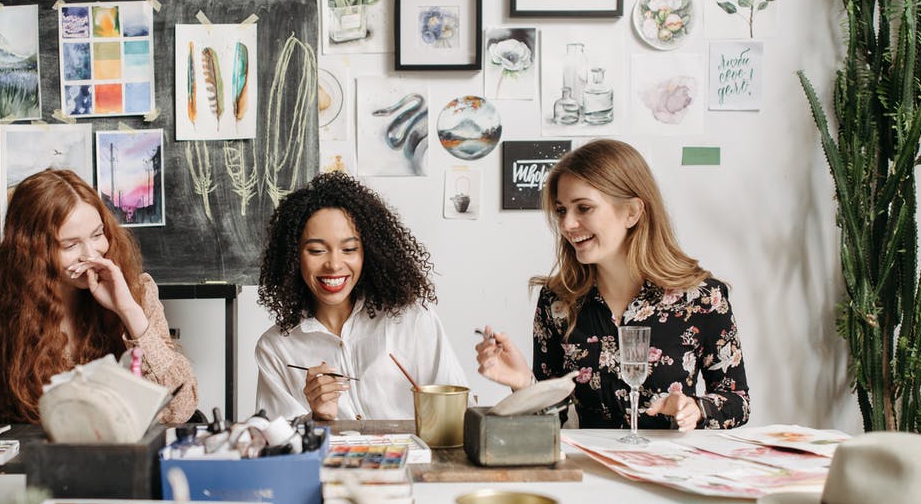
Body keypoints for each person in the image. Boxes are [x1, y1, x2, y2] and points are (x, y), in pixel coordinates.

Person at [475, 139, 749, 430]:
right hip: (592, 471)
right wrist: (523, 385)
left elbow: (737, 401)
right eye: (561, 210)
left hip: (670, 470)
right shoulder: (556, 302)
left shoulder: (703, 297)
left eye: (583, 208)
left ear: (632, 212)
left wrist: (696, 408)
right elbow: (550, 425)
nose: (567, 224)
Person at [0, 169, 198, 425]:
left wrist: (128, 312)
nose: (92, 255)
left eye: (98, 235)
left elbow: (180, 408)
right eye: (70, 245)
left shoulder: (139, 295)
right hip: (43, 462)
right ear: (32, 254)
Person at [255, 171, 468, 420]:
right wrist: (317, 418)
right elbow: (275, 441)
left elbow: (458, 413)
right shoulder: (276, 347)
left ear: (370, 253)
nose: (334, 264)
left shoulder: (413, 320)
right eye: (316, 250)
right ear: (293, 258)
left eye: (349, 249)